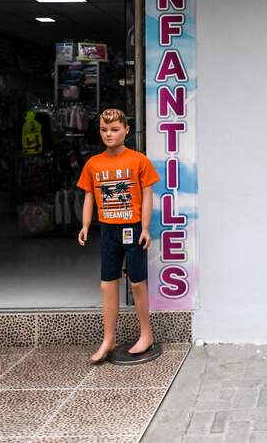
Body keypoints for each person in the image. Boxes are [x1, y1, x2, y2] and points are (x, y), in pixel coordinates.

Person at [77, 108, 160, 364]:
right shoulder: (93, 164)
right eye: (104, 129)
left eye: (114, 129)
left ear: (126, 130)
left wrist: (145, 228)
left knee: (137, 282)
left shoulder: (139, 161)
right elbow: (89, 195)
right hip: (108, 230)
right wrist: (85, 225)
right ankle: (108, 339)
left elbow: (147, 195)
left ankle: (146, 334)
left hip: (132, 228)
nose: (109, 134)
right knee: (107, 284)